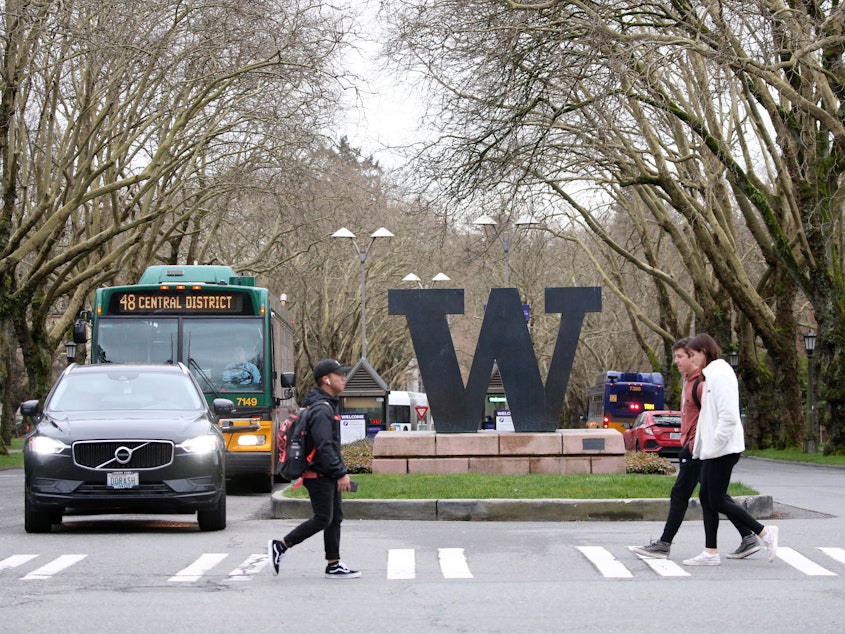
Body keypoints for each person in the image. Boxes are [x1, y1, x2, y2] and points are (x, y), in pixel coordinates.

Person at [632, 338, 760, 560]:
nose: (677, 361)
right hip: (696, 447)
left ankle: (665, 544)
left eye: (682, 356)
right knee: (713, 496)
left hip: (699, 448)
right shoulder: (691, 382)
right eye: (677, 356)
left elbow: (718, 415)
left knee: (683, 494)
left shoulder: (702, 384)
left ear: (695, 357)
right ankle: (746, 536)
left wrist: (700, 444)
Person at [682, 333, 779, 566]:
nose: (691, 360)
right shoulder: (711, 375)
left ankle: (764, 532)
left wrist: (714, 445)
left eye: (693, 355)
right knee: (707, 497)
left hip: (723, 449)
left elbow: (728, 417)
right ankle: (710, 551)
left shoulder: (721, 374)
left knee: (715, 499)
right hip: (713, 449)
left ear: (704, 352)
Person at [267, 358, 360, 579]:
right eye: (339, 375)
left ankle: (333, 563)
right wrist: (340, 473)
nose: (343, 379)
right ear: (326, 379)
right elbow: (324, 445)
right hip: (318, 474)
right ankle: (280, 546)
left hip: (325, 473)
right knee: (323, 518)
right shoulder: (322, 409)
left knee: (334, 517)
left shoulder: (325, 405)